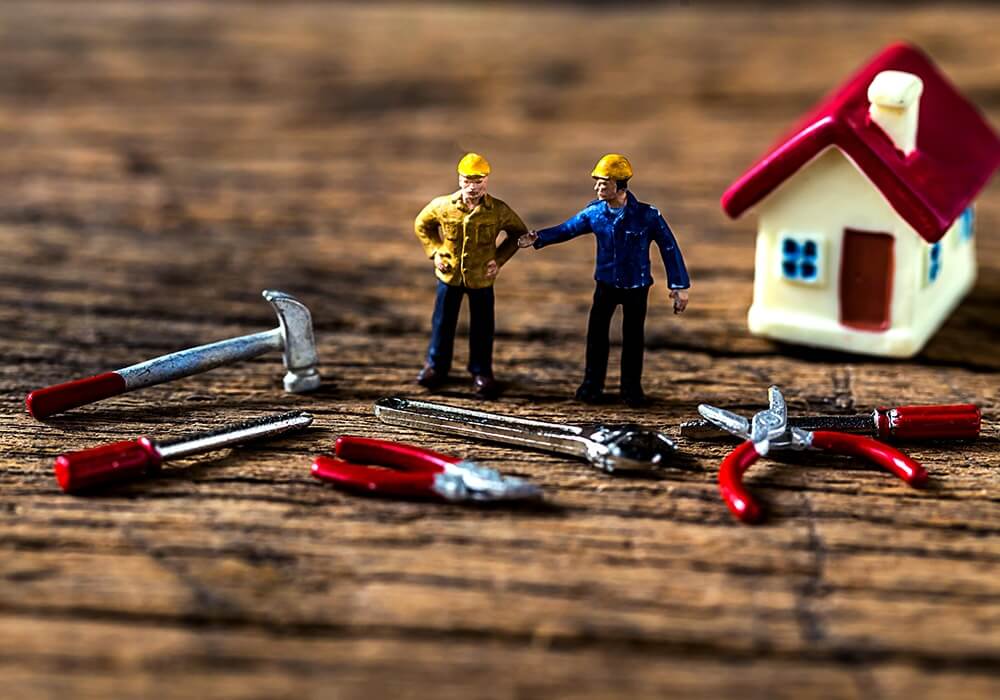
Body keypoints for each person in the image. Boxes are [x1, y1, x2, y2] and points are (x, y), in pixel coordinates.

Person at [519, 154, 690, 407]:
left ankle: (631, 389)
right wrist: (539, 237)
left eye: (603, 183)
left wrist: (679, 286)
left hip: (637, 286)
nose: (597, 188)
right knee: (596, 336)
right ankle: (592, 385)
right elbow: (568, 228)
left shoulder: (648, 215)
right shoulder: (595, 213)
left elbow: (669, 247)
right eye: (597, 182)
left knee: (633, 340)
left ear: (620, 186)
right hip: (605, 285)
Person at [413, 153, 529, 398]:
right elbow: (422, 224)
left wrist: (499, 260)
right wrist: (435, 251)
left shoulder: (498, 211)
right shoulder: (443, 206)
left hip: (481, 278)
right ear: (459, 180)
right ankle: (436, 366)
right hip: (449, 276)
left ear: (486, 180)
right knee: (442, 323)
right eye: (468, 181)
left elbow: (518, 234)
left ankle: (481, 371)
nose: (473, 187)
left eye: (478, 181)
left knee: (482, 327)